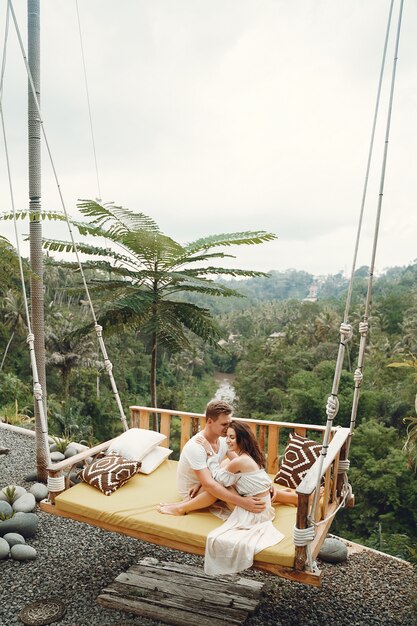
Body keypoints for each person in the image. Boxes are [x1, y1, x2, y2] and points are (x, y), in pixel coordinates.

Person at [202, 420, 284, 576]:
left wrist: (210, 453)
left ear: (242, 438)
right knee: (224, 477)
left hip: (255, 512)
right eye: (226, 437)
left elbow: (218, 478)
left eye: (232, 437)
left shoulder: (240, 461)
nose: (227, 441)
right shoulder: (252, 456)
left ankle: (183, 506)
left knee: (216, 485)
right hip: (264, 507)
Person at [157, 399, 267, 516]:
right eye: (224, 424)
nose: (227, 428)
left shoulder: (223, 440)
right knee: (224, 479)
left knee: (230, 467)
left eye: (229, 424)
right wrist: (243, 502)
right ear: (209, 421)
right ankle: (181, 508)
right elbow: (210, 485)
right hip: (194, 494)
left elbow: (241, 465)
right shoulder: (196, 446)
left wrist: (264, 484)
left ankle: (273, 492)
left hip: (206, 482)